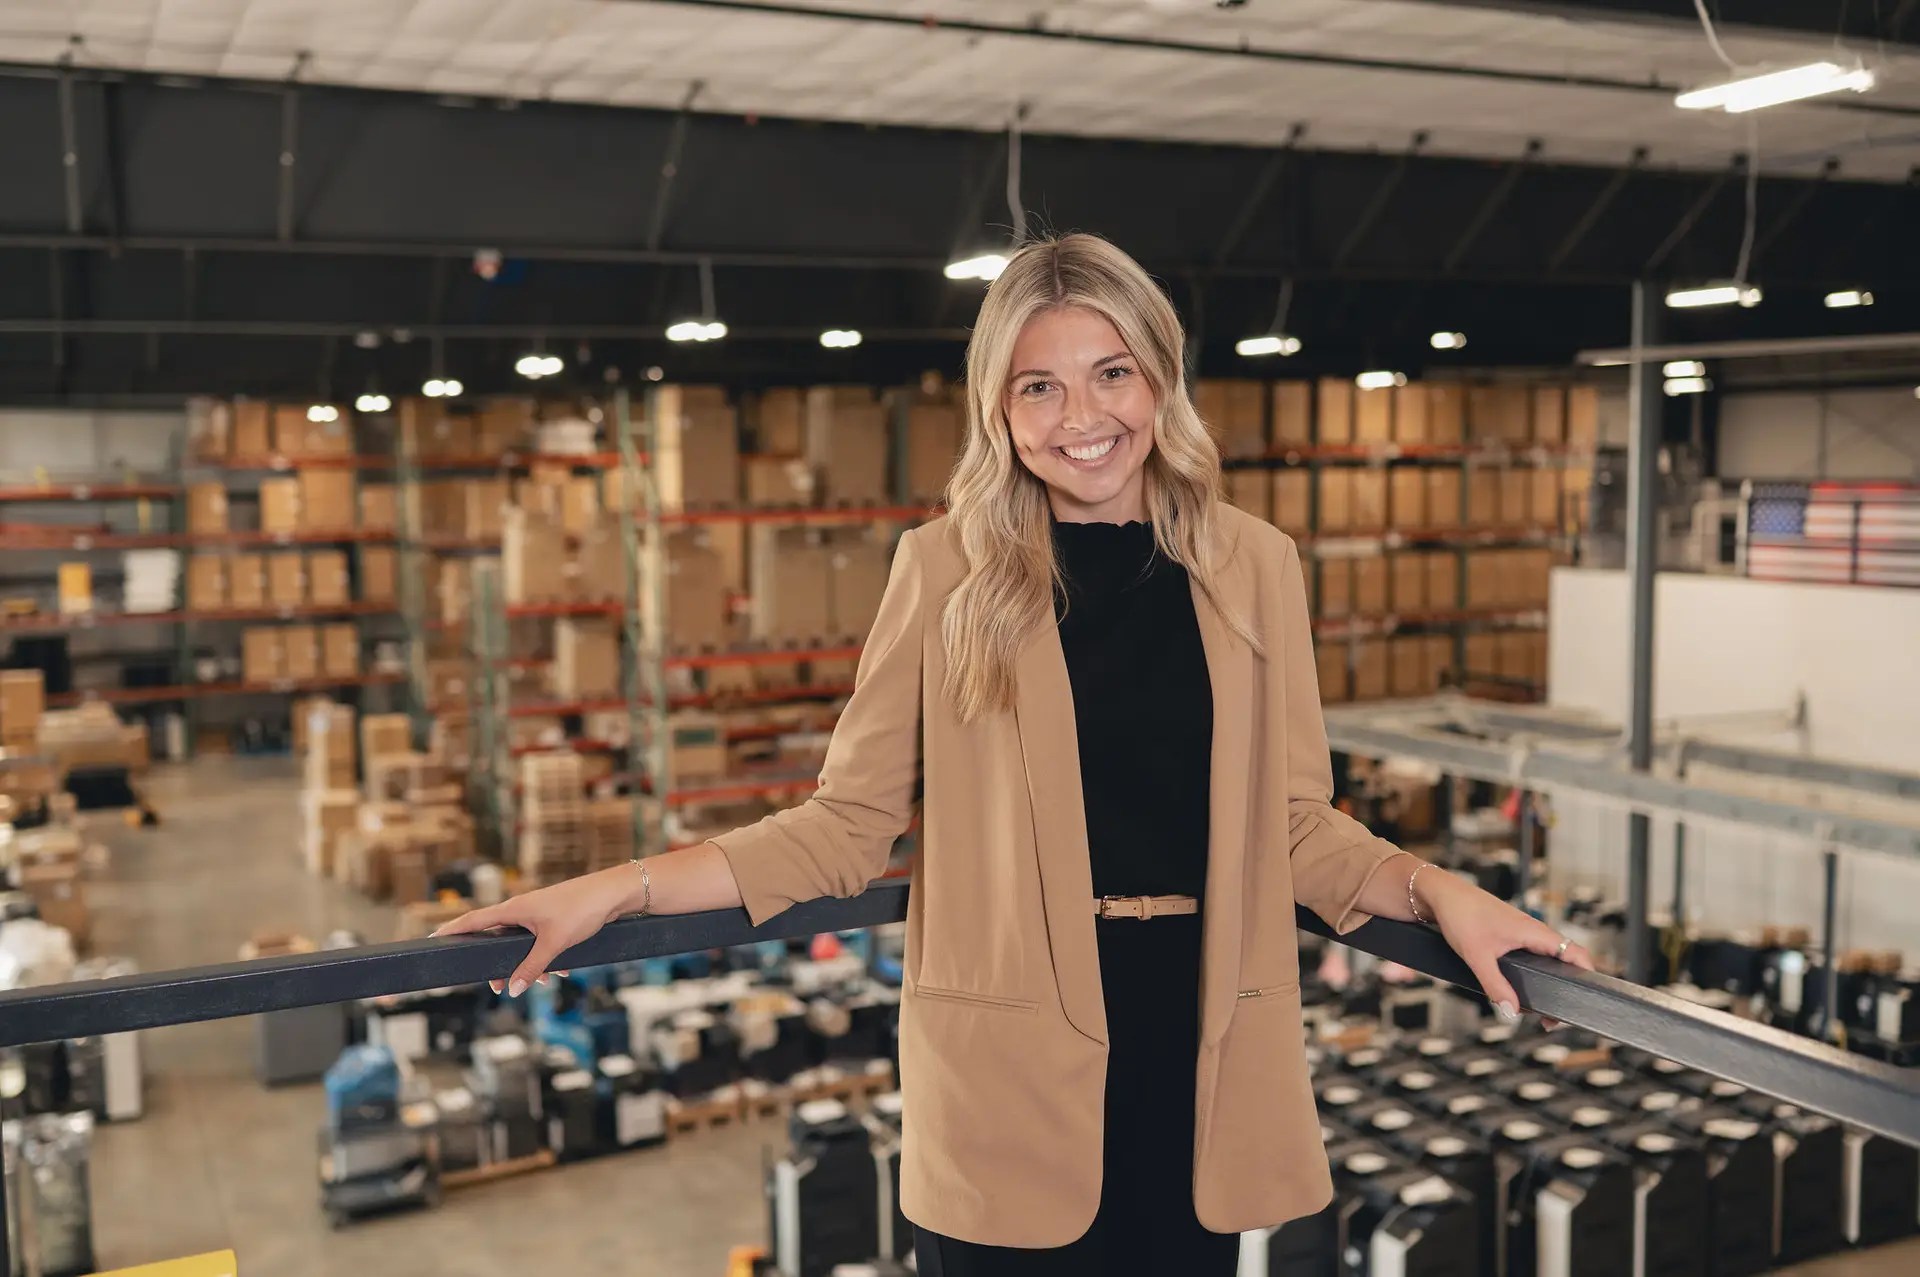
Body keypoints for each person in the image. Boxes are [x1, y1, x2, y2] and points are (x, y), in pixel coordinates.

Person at [434, 232, 1594, 1273]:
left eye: (1110, 374)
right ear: (997, 407)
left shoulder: (1256, 567)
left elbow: (1297, 824)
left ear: (1160, 381)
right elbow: (846, 826)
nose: (1079, 414)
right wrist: (612, 891)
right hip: (1009, 1076)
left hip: (1199, 1060)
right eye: (1038, 384)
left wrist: (1445, 893)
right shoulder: (944, 570)